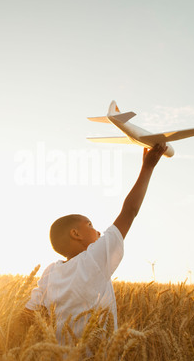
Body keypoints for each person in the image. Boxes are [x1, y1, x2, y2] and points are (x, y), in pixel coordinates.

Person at [24, 144, 167, 343]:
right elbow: (130, 211)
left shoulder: (50, 272)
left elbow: (29, 314)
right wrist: (147, 167)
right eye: (90, 224)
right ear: (75, 234)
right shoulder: (93, 259)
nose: (98, 231)